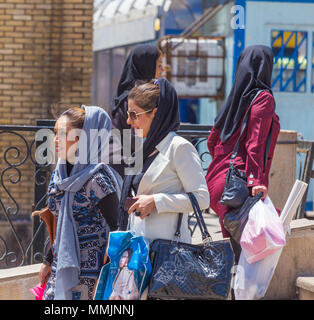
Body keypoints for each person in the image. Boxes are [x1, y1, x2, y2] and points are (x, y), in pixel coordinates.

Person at [205, 45, 281, 263]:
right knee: (253, 256)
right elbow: (254, 143)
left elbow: (212, 141)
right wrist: (255, 180)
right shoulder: (263, 98)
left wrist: (225, 162)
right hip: (239, 189)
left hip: (218, 184)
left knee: (234, 258)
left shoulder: (234, 99)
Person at [39, 106, 122, 300]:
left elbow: (117, 227)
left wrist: (109, 274)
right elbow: (58, 222)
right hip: (60, 267)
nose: (56, 140)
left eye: (63, 134)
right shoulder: (58, 176)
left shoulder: (97, 179)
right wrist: (47, 261)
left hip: (92, 273)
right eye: (55, 133)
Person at [118, 78, 210, 245]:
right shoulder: (142, 147)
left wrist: (156, 201)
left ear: (155, 113)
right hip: (139, 248)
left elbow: (202, 198)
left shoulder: (179, 147)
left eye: (134, 115)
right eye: (128, 114)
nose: (128, 121)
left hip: (168, 251)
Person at [109, 44, 164, 178]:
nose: (162, 70)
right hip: (123, 169)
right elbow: (134, 140)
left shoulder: (130, 93)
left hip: (118, 164)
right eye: (159, 65)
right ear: (147, 66)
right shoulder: (137, 98)